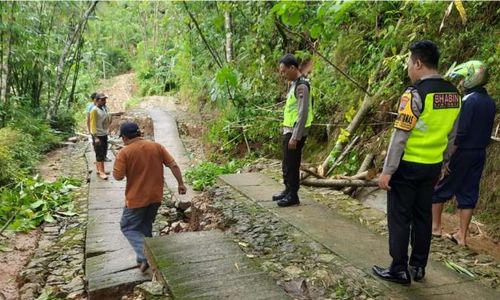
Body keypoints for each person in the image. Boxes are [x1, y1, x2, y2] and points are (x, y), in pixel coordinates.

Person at [373, 40, 461, 285]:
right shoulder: (454, 93)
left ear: (418, 63)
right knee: (423, 217)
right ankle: (418, 265)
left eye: (409, 63)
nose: (409, 68)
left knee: (400, 217)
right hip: (432, 166)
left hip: (408, 166)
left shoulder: (414, 94)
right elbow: (453, 135)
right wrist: (443, 164)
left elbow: (401, 135)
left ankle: (398, 269)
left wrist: (387, 171)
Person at [432, 61, 495, 246]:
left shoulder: (468, 101)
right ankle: (463, 236)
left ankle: (435, 227)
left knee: (441, 187)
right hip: (479, 153)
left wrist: (448, 158)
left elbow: (461, 132)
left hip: (462, 152)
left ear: (470, 78)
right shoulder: (490, 102)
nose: (461, 82)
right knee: (468, 193)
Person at [113, 122, 187, 272]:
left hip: (136, 200)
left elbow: (118, 176)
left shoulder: (125, 152)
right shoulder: (156, 146)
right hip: (155, 197)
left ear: (125, 138)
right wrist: (181, 184)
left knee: (128, 227)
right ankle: (143, 260)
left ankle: (149, 256)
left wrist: (121, 163)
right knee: (145, 228)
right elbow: (173, 165)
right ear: (139, 133)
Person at [272, 54, 313, 207]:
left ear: (292, 68)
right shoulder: (294, 84)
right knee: (286, 163)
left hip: (296, 132)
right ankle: (287, 189)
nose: (282, 75)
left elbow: (303, 113)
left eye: (284, 71)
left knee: (292, 163)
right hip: (289, 129)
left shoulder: (302, 86)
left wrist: (295, 137)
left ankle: (293, 194)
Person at [89, 93, 110, 179]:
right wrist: (95, 137)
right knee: (100, 153)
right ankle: (102, 172)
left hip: (104, 133)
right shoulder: (94, 110)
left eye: (105, 99)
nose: (104, 101)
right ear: (97, 100)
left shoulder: (104, 108)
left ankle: (100, 170)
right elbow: (92, 124)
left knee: (103, 152)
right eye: (102, 99)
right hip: (97, 135)